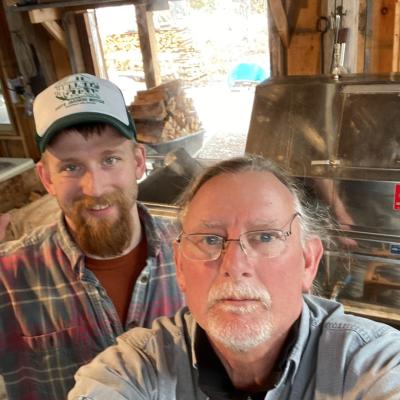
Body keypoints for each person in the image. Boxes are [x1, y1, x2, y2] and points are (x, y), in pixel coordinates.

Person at [68, 155, 400, 400]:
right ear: (180, 268)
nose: (235, 264)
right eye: (210, 239)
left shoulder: (372, 365)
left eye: (266, 237)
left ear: (308, 262)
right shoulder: (135, 369)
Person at [0, 73, 184, 400]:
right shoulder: (9, 279)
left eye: (110, 159)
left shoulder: (196, 252)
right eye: (71, 167)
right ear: (46, 178)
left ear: (139, 162)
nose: (95, 188)